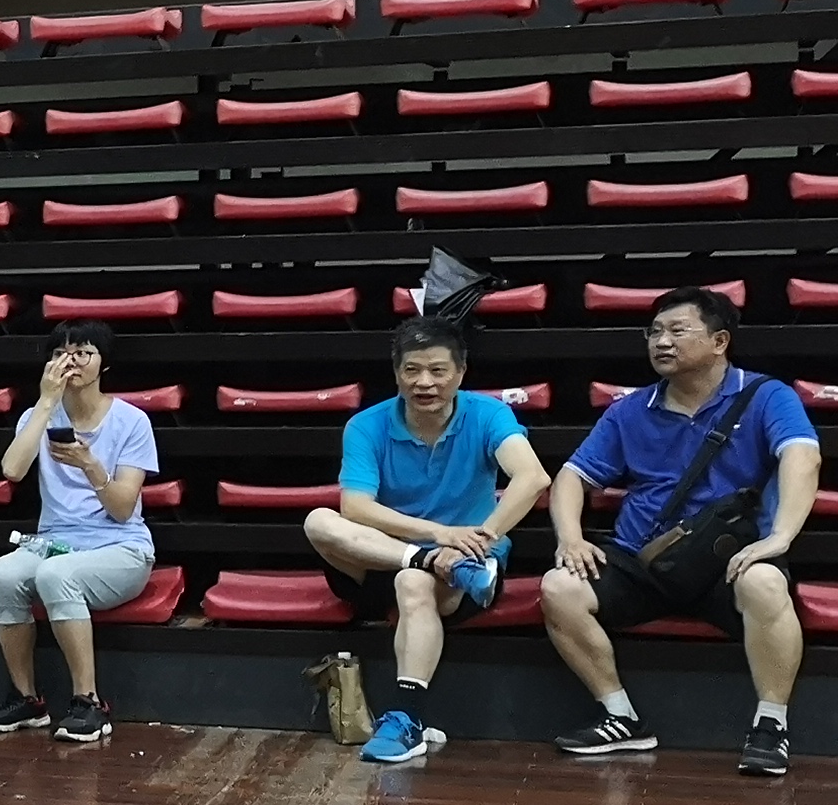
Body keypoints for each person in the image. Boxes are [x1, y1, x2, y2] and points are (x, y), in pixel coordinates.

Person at [541, 285, 820, 775]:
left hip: (726, 558)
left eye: (677, 330)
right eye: (654, 332)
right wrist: (570, 537)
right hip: (643, 557)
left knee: (765, 581)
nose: (662, 342)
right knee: (558, 587)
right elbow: (572, 477)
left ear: (719, 341)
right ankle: (621, 717)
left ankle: (770, 725)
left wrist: (780, 538)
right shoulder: (630, 409)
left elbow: (802, 456)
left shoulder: (766, 395)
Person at [303, 318, 548, 765]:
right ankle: (424, 561)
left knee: (412, 583)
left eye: (438, 370)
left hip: (465, 566)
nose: (424, 382)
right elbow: (356, 508)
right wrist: (435, 539)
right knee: (320, 521)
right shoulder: (366, 425)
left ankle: (407, 719)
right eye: (412, 370)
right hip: (383, 556)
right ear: (396, 373)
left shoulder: (489, 415)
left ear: (461, 371)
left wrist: (481, 539)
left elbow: (532, 478)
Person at [0, 325, 159, 746]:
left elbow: (123, 508)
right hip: (55, 541)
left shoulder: (132, 421)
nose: (70, 361)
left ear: (103, 364)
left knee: (56, 575)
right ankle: (27, 699)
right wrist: (45, 402)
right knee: (3, 574)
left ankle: (89, 702)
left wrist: (90, 465)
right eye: (61, 353)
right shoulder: (39, 414)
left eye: (82, 352)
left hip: (121, 546)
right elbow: (12, 470)